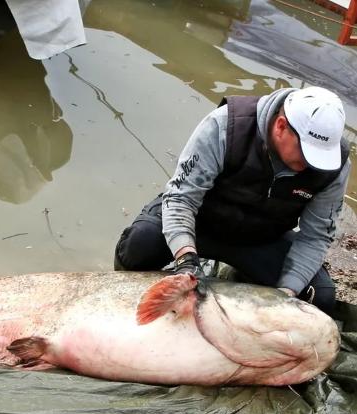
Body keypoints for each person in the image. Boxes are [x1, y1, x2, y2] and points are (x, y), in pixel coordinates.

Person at [114, 86, 351, 315]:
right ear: (280, 127)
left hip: (260, 239)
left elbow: (316, 236)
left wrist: (285, 294)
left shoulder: (334, 167)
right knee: (138, 246)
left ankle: (237, 278)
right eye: (308, 153)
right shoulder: (226, 126)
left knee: (320, 297)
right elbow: (181, 199)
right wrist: (186, 259)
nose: (312, 164)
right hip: (201, 223)